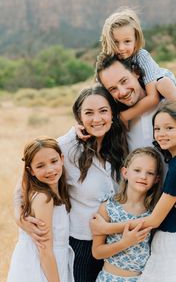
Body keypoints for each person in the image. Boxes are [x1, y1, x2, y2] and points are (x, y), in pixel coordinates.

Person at [91, 101, 176, 281]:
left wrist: (106, 228)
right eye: (157, 128)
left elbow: (154, 220)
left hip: (172, 242)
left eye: (169, 128)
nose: (161, 134)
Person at [14, 84, 129, 282]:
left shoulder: (122, 143)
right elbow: (25, 181)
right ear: (79, 116)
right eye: (89, 113)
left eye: (103, 111)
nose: (97, 119)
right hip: (82, 243)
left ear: (112, 113)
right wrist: (19, 216)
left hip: (118, 241)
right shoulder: (66, 147)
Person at [94, 55, 176, 214]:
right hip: (141, 213)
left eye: (124, 81)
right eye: (113, 89)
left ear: (136, 72)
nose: (122, 91)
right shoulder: (118, 121)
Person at [99, 7, 176, 162]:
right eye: (116, 42)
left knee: (164, 84)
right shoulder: (108, 63)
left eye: (127, 41)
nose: (121, 48)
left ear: (136, 40)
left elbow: (153, 98)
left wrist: (124, 116)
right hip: (135, 96)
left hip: (159, 88)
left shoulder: (141, 56)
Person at [8, 136, 74, 282]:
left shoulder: (52, 192)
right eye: (40, 166)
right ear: (30, 170)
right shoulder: (44, 199)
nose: (50, 170)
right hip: (41, 268)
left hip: (51, 263)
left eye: (54, 161)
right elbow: (45, 251)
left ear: (62, 159)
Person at [92, 147, 163, 281]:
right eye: (137, 170)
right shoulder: (109, 207)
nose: (143, 176)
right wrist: (125, 243)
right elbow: (97, 252)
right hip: (110, 277)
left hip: (142, 278)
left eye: (150, 173)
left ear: (157, 179)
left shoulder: (154, 212)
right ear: (125, 173)